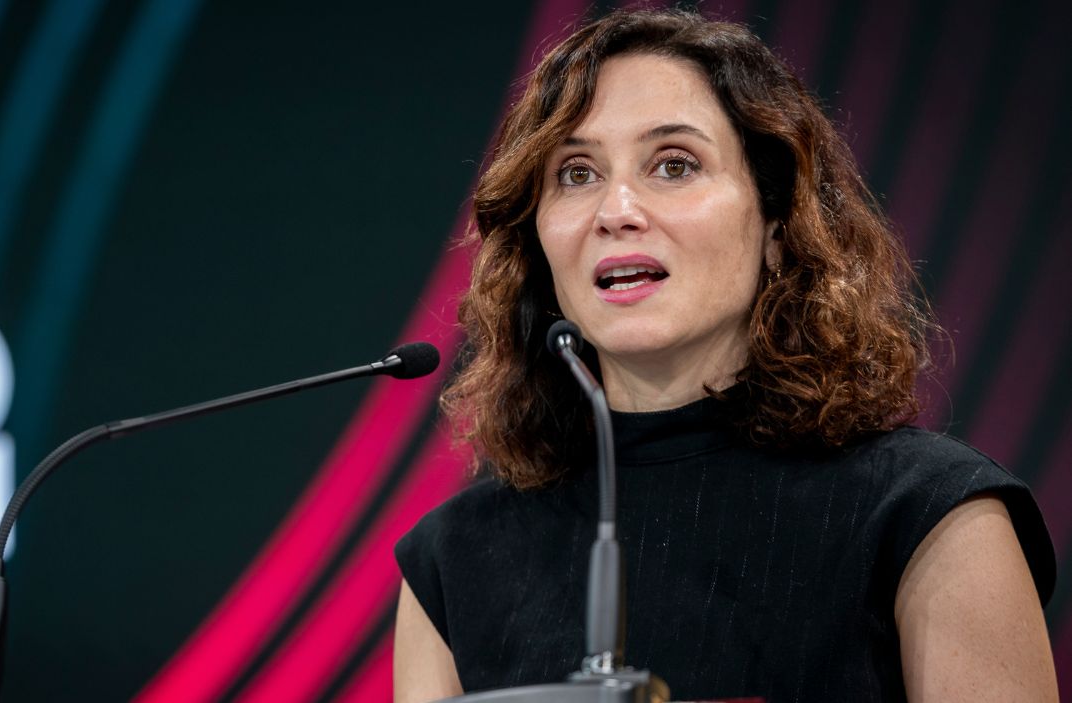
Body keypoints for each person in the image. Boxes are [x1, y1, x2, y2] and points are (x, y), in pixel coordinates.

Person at [393, 7, 1058, 703]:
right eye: (577, 173)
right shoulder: (453, 561)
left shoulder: (929, 515)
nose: (616, 208)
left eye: (674, 164)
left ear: (777, 223)